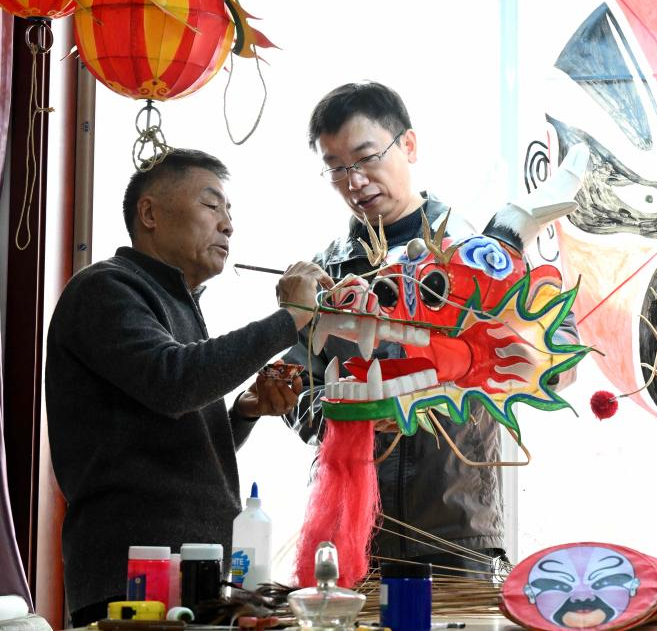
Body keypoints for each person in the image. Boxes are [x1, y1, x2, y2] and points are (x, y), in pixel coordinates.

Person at [45, 149, 333, 627]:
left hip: (192, 570)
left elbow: (170, 435)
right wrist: (290, 319)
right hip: (134, 574)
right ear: (150, 213)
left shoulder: (177, 303)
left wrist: (241, 414)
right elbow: (175, 383)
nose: (228, 225)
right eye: (211, 204)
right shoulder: (105, 288)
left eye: (229, 212)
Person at [284, 81, 517, 575]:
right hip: (349, 528)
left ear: (408, 145)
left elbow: (535, 360)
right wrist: (347, 415)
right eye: (336, 167)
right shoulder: (326, 276)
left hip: (455, 525)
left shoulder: (473, 257)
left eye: (366, 157)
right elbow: (296, 384)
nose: (354, 180)